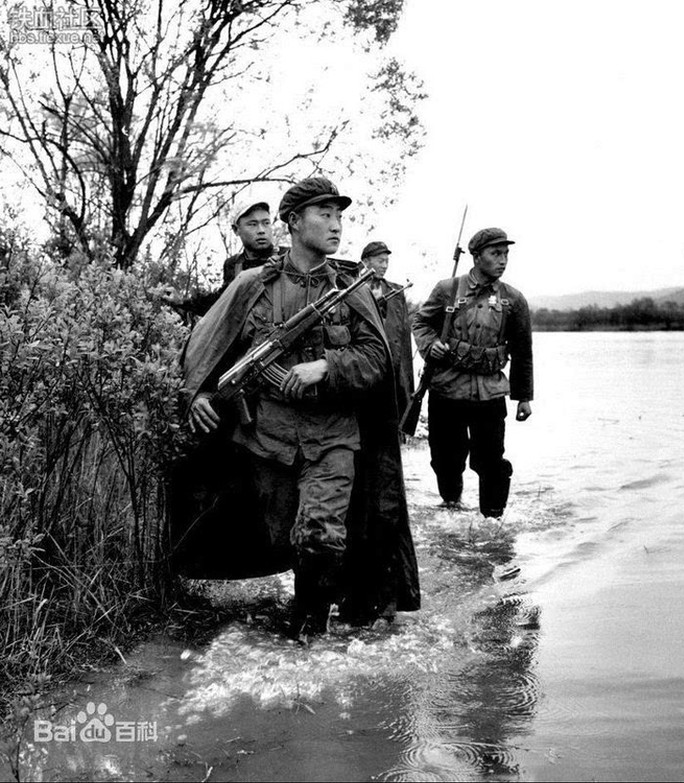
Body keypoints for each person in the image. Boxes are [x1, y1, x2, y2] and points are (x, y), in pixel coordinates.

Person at [178, 176, 420, 644]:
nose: (336, 225)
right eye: (324, 215)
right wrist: (199, 396)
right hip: (263, 442)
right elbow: (205, 347)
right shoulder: (252, 285)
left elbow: (377, 360)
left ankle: (305, 640)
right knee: (278, 538)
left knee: (321, 535)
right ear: (293, 222)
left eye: (340, 216)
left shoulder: (352, 291)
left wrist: (325, 367)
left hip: (333, 438)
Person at [411, 227, 533, 517]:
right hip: (446, 390)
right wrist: (430, 346)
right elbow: (420, 322)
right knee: (445, 458)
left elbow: (523, 352)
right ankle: (451, 505)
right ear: (477, 257)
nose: (503, 260)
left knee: (491, 461)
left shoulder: (514, 300)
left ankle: (492, 518)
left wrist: (523, 398)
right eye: (495, 254)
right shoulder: (447, 289)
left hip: (490, 394)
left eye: (505, 254)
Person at [162, 198, 287, 317]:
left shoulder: (288, 255)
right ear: (236, 230)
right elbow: (221, 304)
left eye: (266, 223)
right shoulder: (234, 265)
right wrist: (182, 302)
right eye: (252, 224)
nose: (261, 230)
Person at [360, 241, 415, 417]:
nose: (384, 266)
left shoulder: (396, 292)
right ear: (366, 261)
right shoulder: (352, 288)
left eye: (386, 261)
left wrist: (406, 380)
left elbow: (404, 338)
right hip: (362, 367)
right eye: (380, 261)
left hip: (390, 369)